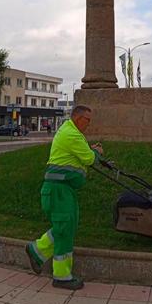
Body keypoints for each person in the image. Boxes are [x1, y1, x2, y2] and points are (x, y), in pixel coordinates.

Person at [26, 105, 103, 290]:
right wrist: (97, 154)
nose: (89, 125)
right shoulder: (72, 134)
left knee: (67, 227)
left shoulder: (71, 132)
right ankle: (61, 276)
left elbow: (81, 153)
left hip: (63, 190)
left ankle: (38, 251)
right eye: (88, 120)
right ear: (78, 119)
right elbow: (89, 159)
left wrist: (90, 150)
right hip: (58, 190)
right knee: (64, 228)